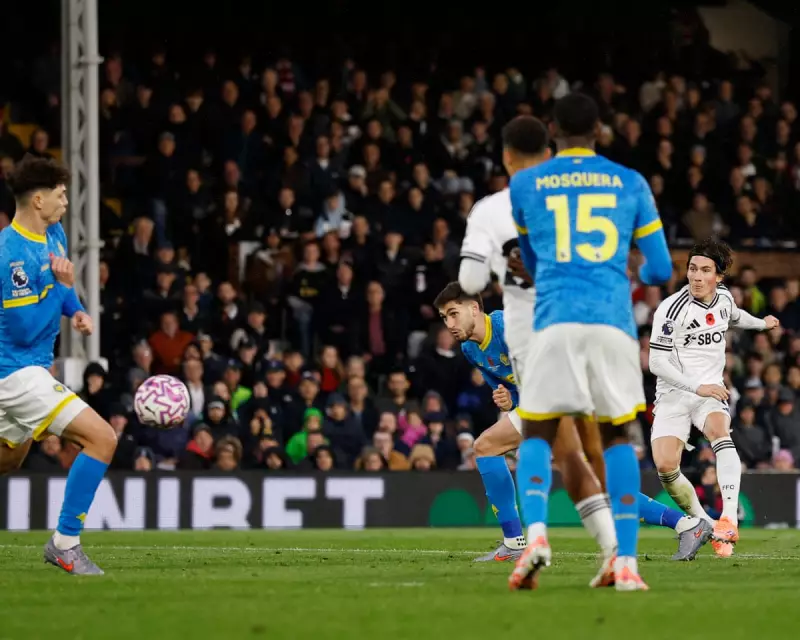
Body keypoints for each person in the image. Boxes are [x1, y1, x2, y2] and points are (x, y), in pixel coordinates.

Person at [508, 96, 673, 592]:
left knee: (537, 433)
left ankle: (536, 537)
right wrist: (632, 272)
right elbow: (661, 269)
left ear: (552, 130)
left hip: (554, 319)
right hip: (611, 321)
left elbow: (533, 264)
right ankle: (626, 563)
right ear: (600, 129)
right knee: (617, 437)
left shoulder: (525, 184)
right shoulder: (631, 182)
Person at [435, 283, 710, 564]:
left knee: (498, 450)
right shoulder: (471, 349)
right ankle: (687, 525)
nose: (449, 324)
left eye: (454, 314)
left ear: (474, 308)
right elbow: (511, 392)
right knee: (583, 478)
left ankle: (686, 525)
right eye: (445, 317)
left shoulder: (509, 326)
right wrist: (507, 400)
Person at [0, 155, 117, 574]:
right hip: (14, 371)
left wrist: (76, 309)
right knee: (102, 439)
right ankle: (65, 543)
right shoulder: (9, 255)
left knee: (8, 461)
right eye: (60, 195)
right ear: (38, 200)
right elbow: (25, 328)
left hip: (26, 368)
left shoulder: (54, 233)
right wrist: (59, 287)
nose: (66, 202)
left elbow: (59, 289)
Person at [648, 238, 779, 557]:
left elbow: (735, 316)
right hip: (674, 393)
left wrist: (761, 324)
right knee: (666, 467)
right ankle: (706, 524)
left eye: (705, 270)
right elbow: (656, 362)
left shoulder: (724, 298)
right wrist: (697, 387)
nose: (696, 276)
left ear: (718, 276)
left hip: (710, 392)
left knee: (720, 432)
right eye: (692, 269)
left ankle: (729, 518)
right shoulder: (671, 309)